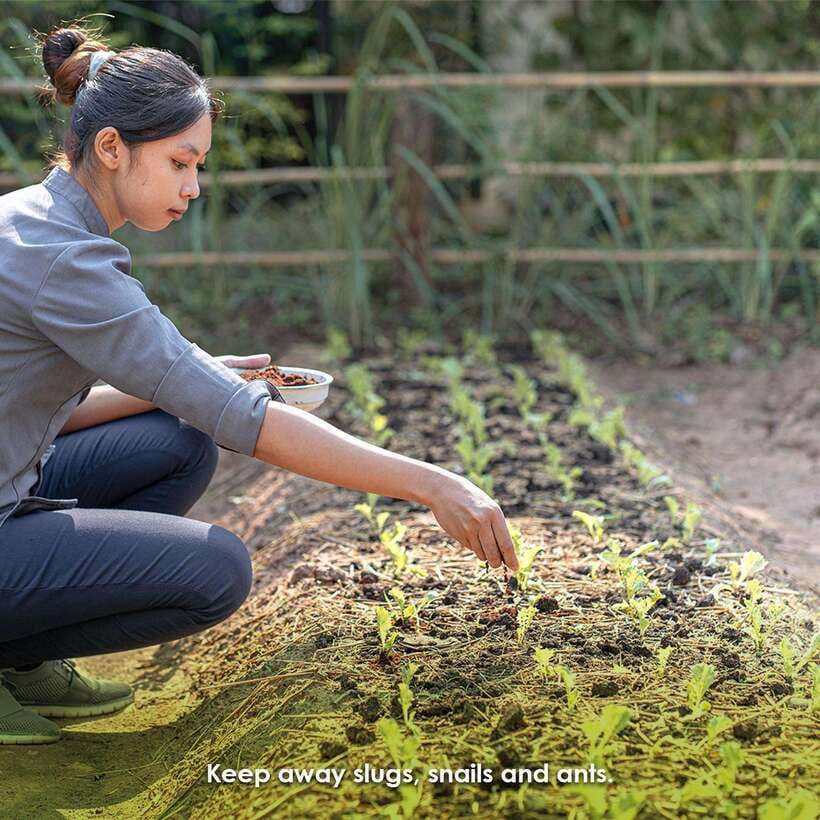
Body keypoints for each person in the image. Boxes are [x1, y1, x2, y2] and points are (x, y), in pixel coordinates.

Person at [0, 26, 518, 745]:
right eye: (180, 162)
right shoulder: (66, 260)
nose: (193, 186)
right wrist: (434, 484)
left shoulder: (30, 218)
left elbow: (43, 409)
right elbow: (244, 419)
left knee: (175, 442)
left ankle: (19, 658)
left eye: (199, 165)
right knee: (215, 569)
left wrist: (189, 380)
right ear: (112, 147)